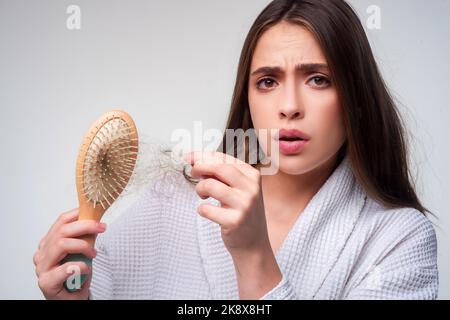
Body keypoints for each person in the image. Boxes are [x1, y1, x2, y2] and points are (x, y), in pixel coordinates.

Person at [34, 0, 438, 300]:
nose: (290, 105)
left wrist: (254, 257)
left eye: (318, 79)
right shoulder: (173, 199)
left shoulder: (399, 240)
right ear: (248, 100)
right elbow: (96, 284)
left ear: (357, 97)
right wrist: (72, 295)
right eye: (267, 81)